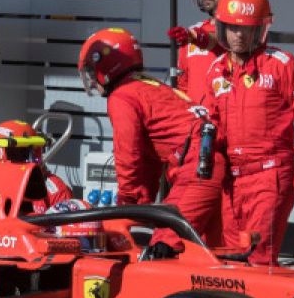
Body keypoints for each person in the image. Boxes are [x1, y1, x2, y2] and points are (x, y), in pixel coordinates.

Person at [204, 0, 294, 266]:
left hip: (270, 176)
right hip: (231, 182)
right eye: (233, 28)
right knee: (232, 261)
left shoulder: (280, 65)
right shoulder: (215, 72)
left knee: (259, 259)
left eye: (246, 29)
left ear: (260, 29)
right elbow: (209, 124)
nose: (239, 35)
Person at [80, 28, 228, 257]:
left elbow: (128, 155)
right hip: (210, 163)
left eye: (92, 70)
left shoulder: (123, 96)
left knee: (164, 246)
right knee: (214, 256)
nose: (92, 78)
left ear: (106, 66)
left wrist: (126, 203)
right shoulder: (151, 86)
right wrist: (138, 204)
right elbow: (148, 162)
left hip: (198, 168)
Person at [167, 0, 249, 105]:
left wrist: (196, 37)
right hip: (197, 123)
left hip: (230, 119)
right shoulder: (192, 32)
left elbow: (218, 38)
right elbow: (183, 85)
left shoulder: (246, 30)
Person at [0, 119, 73, 212]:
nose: (30, 159)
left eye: (32, 152)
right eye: (20, 153)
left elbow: (66, 225)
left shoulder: (55, 190)